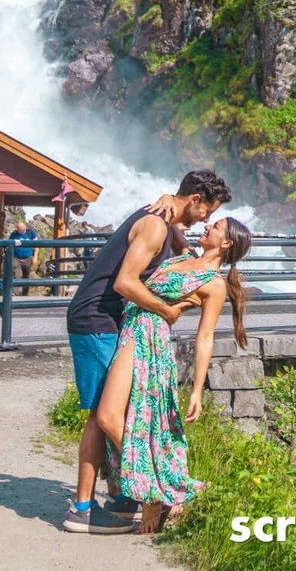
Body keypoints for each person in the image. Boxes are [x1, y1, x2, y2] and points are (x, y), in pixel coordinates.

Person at [61, 170, 231, 535]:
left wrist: (170, 201)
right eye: (206, 212)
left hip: (113, 321)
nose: (205, 220)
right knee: (101, 415)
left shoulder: (163, 220)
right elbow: (125, 281)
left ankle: (124, 496)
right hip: (98, 319)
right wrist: (167, 311)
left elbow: (183, 247)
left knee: (116, 412)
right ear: (196, 200)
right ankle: (87, 508)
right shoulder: (157, 224)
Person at [97, 215, 252, 533]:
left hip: (149, 337)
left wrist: (197, 389)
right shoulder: (185, 257)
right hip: (130, 328)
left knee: (109, 417)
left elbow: (205, 337)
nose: (207, 227)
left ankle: (153, 494)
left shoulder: (214, 283)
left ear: (226, 243)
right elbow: (170, 221)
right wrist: (169, 204)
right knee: (119, 419)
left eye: (216, 227)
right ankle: (157, 491)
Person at [9, 218, 38, 290]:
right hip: (16, 257)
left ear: (24, 228)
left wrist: (35, 257)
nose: (20, 231)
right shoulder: (14, 234)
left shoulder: (31, 233)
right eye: (19, 229)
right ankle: (15, 293)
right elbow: (9, 244)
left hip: (28, 258)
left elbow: (37, 245)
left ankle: (25, 293)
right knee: (16, 274)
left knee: (26, 275)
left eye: (21, 229)